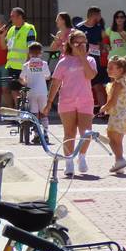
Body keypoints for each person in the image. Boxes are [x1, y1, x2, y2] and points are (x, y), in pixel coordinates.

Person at [43, 29, 98, 177]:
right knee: (69, 132)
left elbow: (90, 75)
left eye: (83, 42)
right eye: (77, 43)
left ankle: (82, 157)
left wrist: (83, 57)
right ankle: (69, 161)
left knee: (87, 133)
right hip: (67, 101)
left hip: (85, 101)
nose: (80, 45)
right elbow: (55, 84)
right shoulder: (63, 62)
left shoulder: (91, 60)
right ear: (70, 44)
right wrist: (49, 103)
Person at [99, 55, 126, 174]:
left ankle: (120, 159)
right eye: (108, 67)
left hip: (117, 115)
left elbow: (112, 101)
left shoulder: (117, 84)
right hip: (123, 115)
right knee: (117, 140)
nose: (108, 70)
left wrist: (104, 107)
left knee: (111, 138)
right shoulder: (121, 82)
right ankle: (119, 163)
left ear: (120, 70)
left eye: (111, 68)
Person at [76, 7, 108, 114]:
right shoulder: (79, 28)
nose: (100, 17)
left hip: (95, 62)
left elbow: (104, 43)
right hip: (81, 62)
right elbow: (73, 43)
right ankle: (81, 111)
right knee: (82, 88)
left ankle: (103, 112)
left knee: (98, 86)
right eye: (98, 15)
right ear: (93, 15)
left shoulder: (99, 28)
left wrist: (103, 47)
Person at [19, 42, 51, 143]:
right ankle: (45, 134)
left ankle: (37, 135)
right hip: (42, 91)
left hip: (31, 92)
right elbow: (48, 76)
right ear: (41, 53)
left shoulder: (26, 65)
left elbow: (21, 78)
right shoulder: (44, 64)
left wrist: (25, 82)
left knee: (35, 114)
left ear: (29, 53)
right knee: (44, 113)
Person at [4, 8, 37, 104]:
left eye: (13, 16)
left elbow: (31, 49)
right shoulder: (11, 30)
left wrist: (27, 65)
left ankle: (25, 112)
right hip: (12, 66)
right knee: (14, 90)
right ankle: (18, 112)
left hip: (23, 66)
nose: (11, 19)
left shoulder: (28, 29)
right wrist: (2, 35)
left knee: (24, 91)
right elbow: (4, 46)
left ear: (20, 17)